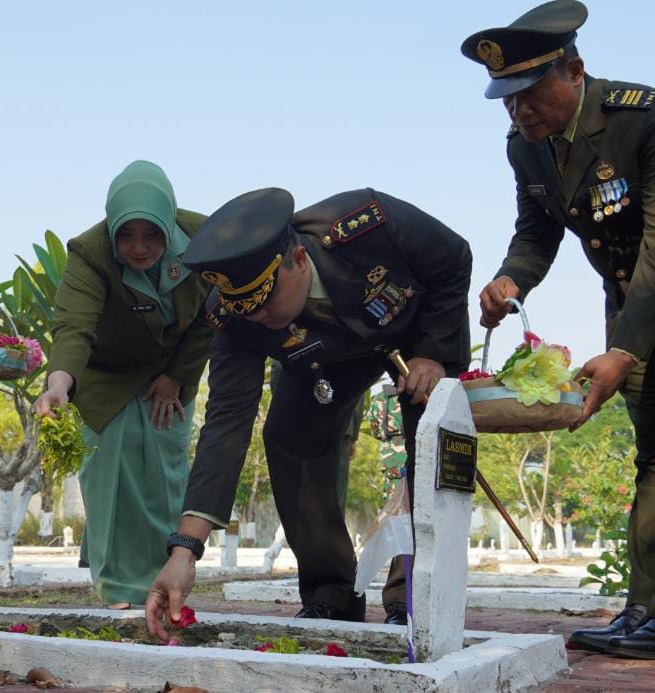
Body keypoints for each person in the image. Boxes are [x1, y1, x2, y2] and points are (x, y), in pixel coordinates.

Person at [462, 0, 655, 660]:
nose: (518, 112)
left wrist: (624, 348)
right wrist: (512, 281)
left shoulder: (652, 118)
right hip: (633, 312)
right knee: (651, 456)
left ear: (575, 71)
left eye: (530, 93)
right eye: (506, 100)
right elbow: (537, 231)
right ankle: (654, 608)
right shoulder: (528, 148)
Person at [145, 187, 472, 639]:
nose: (258, 319)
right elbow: (225, 426)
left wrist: (434, 354)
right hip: (322, 355)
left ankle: (413, 595)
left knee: (432, 448)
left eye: (264, 302)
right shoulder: (234, 317)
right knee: (289, 437)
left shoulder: (367, 223)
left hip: (416, 336)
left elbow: (453, 259)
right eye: (246, 311)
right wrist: (184, 551)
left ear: (297, 259)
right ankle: (331, 593)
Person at [34, 160, 213, 608]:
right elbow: (74, 328)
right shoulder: (89, 253)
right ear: (111, 229)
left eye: (151, 234)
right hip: (105, 372)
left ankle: (166, 582)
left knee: (163, 475)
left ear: (168, 225)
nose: (139, 247)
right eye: (126, 234)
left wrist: (178, 377)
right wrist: (58, 385)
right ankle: (116, 588)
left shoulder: (204, 240)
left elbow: (213, 315)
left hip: (171, 373)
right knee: (108, 471)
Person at [368, 384, 407, 500]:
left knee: (392, 500)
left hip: (391, 458)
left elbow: (375, 431)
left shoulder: (381, 397)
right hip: (416, 453)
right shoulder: (421, 393)